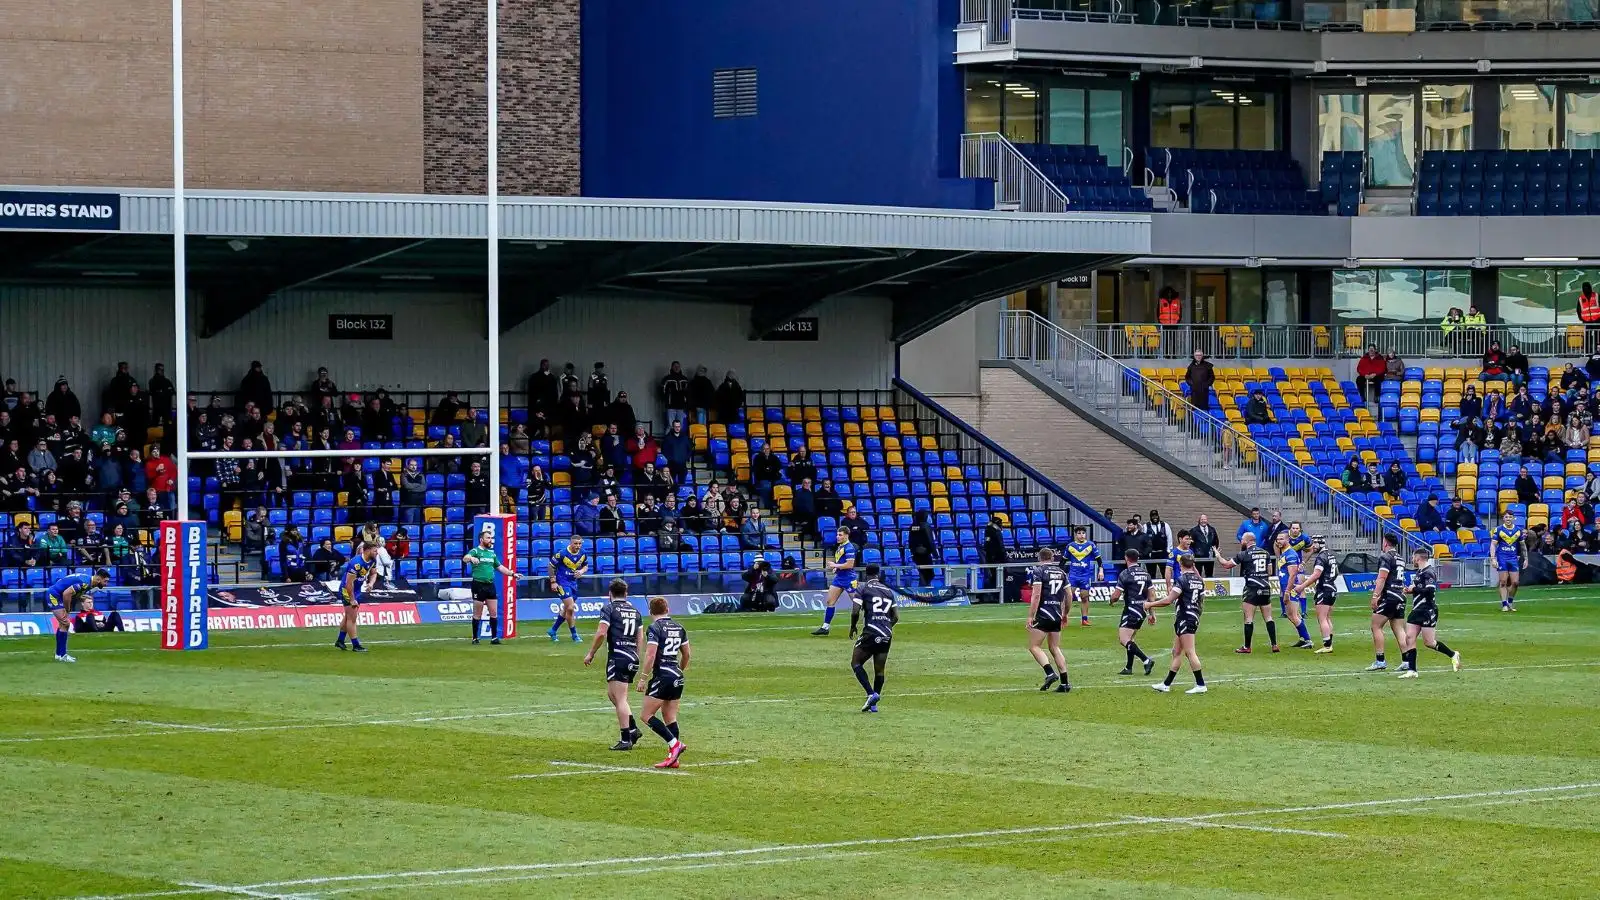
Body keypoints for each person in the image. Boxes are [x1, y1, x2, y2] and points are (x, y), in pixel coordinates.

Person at [584, 579, 646, 750]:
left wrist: (591, 653)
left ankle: (626, 738)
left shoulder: (609, 608)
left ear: (610, 594)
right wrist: (636, 655)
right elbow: (640, 636)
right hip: (631, 655)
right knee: (612, 695)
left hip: (618, 655)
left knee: (620, 698)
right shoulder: (635, 610)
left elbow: (601, 633)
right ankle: (633, 729)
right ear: (626, 593)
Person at [638, 595, 690, 769]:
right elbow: (687, 654)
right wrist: (679, 671)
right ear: (667, 609)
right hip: (676, 674)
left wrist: (643, 678)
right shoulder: (679, 627)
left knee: (646, 715)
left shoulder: (654, 627)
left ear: (650, 611)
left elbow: (651, 654)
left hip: (662, 675)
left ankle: (675, 744)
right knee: (670, 718)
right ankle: (673, 758)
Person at [1145, 553, 1207, 695]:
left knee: (1190, 652)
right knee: (1176, 651)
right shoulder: (1199, 580)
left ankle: (1200, 684)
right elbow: (1202, 600)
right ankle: (1166, 684)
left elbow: (1168, 600)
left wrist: (1150, 604)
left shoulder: (1182, 580)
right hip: (1191, 616)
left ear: (1180, 565)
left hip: (1185, 617)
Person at [1397, 547, 1462, 678]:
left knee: (1429, 642)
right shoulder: (1419, 572)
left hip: (1428, 610)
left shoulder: (1429, 572)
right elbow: (1420, 589)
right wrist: (1410, 590)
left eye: (1413, 557)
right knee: (1409, 637)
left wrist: (1414, 588)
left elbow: (1430, 590)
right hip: (1417, 609)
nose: (1412, 559)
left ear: (1418, 557)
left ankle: (1453, 654)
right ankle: (1412, 670)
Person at [849, 564, 899, 712]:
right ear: (879, 574)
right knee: (879, 670)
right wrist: (887, 627)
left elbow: (855, 611)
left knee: (856, 662)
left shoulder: (863, 588)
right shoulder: (888, 592)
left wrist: (853, 626)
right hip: (886, 634)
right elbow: (896, 616)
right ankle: (874, 703)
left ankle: (871, 694)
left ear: (866, 574)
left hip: (871, 631)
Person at [1217, 533, 1277, 654]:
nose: (1241, 542)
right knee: (1269, 617)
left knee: (1248, 618)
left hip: (1252, 588)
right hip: (1265, 587)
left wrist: (1218, 555)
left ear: (1248, 541)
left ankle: (1247, 646)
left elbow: (1226, 565)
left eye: (1242, 540)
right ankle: (1274, 644)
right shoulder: (1265, 553)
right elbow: (1270, 571)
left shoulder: (1244, 554)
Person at [1024, 548, 1072, 693]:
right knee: (1055, 648)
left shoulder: (1039, 571)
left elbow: (1036, 595)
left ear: (1040, 558)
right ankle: (1065, 683)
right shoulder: (1062, 573)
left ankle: (1050, 673)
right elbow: (1069, 595)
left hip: (1044, 613)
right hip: (1057, 613)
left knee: (1034, 646)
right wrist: (1065, 613)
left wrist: (1031, 616)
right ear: (1052, 558)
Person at [463, 528, 516, 645]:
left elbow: (500, 567)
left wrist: (512, 574)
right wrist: (471, 558)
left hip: (490, 585)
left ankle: (494, 638)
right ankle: (475, 638)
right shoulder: (475, 551)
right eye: (488, 538)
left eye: (491, 538)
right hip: (478, 585)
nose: (490, 540)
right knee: (477, 613)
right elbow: (465, 558)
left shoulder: (492, 554)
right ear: (481, 540)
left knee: (494, 612)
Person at [45, 568, 110, 662]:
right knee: (66, 623)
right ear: (99, 579)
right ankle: (62, 655)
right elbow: (66, 594)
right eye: (105, 581)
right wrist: (67, 610)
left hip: (58, 594)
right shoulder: (85, 583)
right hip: (54, 595)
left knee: (63, 624)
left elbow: (70, 590)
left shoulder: (88, 582)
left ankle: (59, 655)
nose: (106, 584)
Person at [1109, 550, 1156, 676]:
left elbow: (1116, 595)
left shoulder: (1125, 574)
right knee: (1130, 639)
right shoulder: (1146, 573)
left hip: (1131, 609)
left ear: (1126, 558)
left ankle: (1146, 660)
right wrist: (1152, 613)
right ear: (1138, 558)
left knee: (1124, 639)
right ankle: (1128, 668)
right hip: (1142, 610)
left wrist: (1111, 600)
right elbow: (1151, 595)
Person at [1367, 533, 1409, 673]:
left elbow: (1382, 577)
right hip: (1400, 595)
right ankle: (1407, 660)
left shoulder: (1386, 557)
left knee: (1376, 626)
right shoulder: (1400, 558)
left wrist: (1375, 596)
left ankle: (1380, 661)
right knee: (1399, 629)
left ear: (1385, 542)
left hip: (1389, 596)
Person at [1291, 535, 1340, 653]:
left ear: (1319, 544)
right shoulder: (1331, 555)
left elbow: (1316, 574)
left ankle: (1327, 645)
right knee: (1327, 618)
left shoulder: (1321, 557)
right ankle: (1329, 643)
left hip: (1324, 589)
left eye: (1314, 544)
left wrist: (1302, 586)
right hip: (1332, 587)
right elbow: (1336, 572)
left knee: (1322, 618)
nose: (1312, 546)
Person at [812, 526, 858, 636]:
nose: (838, 537)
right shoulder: (840, 547)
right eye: (837, 535)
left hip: (849, 579)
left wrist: (835, 565)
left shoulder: (849, 548)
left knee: (857, 604)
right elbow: (843, 562)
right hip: (839, 578)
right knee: (830, 602)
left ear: (846, 535)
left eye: (840, 535)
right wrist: (836, 568)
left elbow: (850, 564)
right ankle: (825, 627)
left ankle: (872, 623)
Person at [334, 542, 377, 652]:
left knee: (348, 616)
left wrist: (371, 584)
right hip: (347, 590)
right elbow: (349, 583)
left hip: (357, 589)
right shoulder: (356, 563)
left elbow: (373, 573)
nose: (377, 552)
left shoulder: (373, 560)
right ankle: (356, 645)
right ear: (367, 550)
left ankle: (340, 640)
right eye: (375, 550)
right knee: (352, 618)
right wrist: (352, 599)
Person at [1274, 532, 1314, 649]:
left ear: (1287, 540)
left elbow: (1292, 575)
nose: (1279, 541)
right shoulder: (1284, 553)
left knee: (1292, 615)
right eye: (1277, 539)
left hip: (1290, 588)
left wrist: (1287, 591)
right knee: (1294, 615)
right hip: (1286, 587)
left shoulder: (1290, 554)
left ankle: (1307, 640)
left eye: (1281, 539)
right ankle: (1303, 638)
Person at [548, 535, 588, 642]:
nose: (578, 546)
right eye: (575, 543)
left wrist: (581, 571)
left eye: (579, 543)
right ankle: (574, 635)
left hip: (573, 583)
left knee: (566, 609)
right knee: (570, 607)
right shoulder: (562, 554)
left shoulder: (583, 553)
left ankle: (553, 630)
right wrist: (553, 582)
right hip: (562, 583)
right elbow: (551, 566)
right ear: (570, 543)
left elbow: (585, 566)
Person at [1493, 511, 1525, 613]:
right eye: (1506, 517)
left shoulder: (1518, 530)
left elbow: (1523, 546)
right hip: (1502, 558)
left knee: (1515, 583)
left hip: (1513, 558)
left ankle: (1510, 601)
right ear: (1503, 519)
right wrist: (1493, 558)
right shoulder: (1498, 530)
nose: (1508, 519)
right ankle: (1504, 604)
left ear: (1513, 518)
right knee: (1503, 582)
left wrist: (1526, 559)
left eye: (1510, 517)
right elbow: (1493, 545)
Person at [1184, 350, 1215, 415]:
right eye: (1197, 355)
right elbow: (1187, 377)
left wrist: (1207, 384)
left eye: (1200, 355)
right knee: (1195, 408)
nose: (1198, 357)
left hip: (1204, 390)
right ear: (1194, 356)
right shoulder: (1191, 366)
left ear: (1202, 356)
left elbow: (1212, 377)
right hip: (1194, 390)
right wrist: (1192, 384)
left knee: (1204, 408)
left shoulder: (1207, 365)